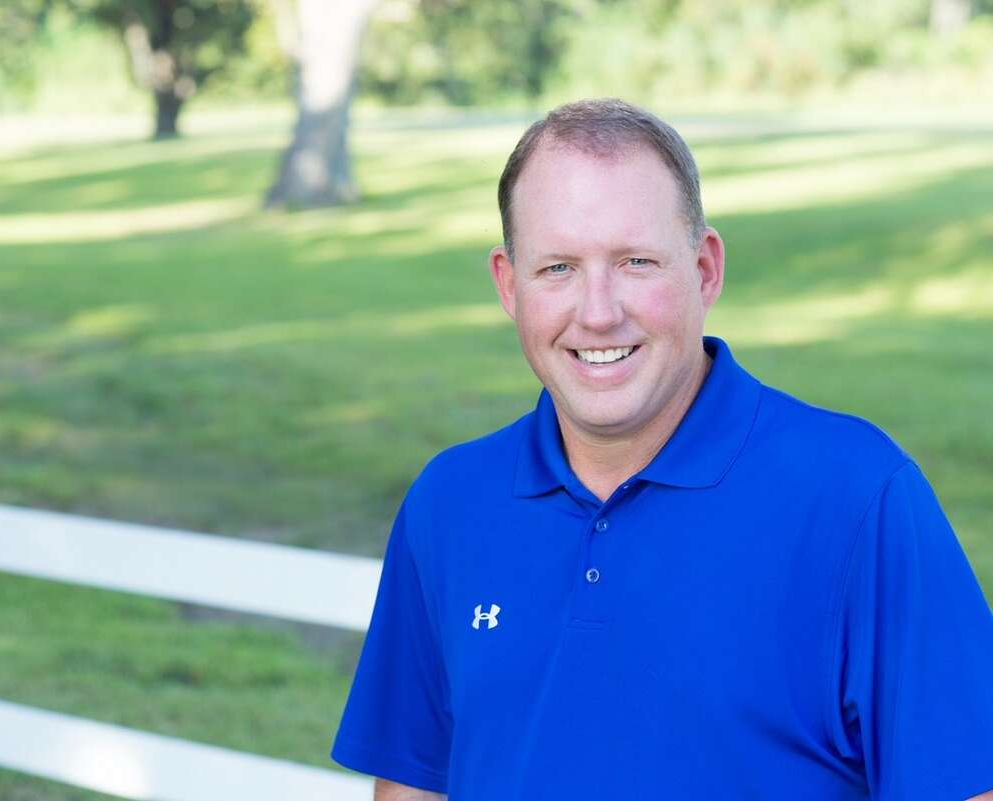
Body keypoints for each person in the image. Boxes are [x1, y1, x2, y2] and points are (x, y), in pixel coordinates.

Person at [330, 98, 993, 801]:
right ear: (508, 285)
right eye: (558, 268)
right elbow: (413, 786)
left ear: (705, 269)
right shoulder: (449, 503)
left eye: (636, 261)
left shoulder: (858, 497)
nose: (597, 310)